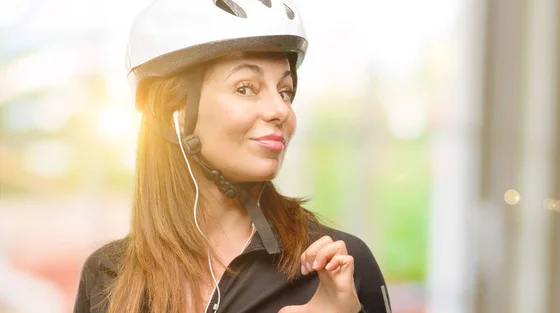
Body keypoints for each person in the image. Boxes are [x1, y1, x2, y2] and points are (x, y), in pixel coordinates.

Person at [74, 1, 391, 312]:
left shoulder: (338, 267)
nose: (281, 109)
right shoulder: (107, 275)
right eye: (246, 88)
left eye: (285, 90)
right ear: (174, 110)